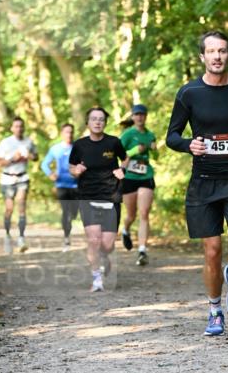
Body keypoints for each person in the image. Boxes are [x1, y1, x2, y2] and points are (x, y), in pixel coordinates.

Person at [166, 29, 228, 336]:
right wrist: (188, 145)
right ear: (203, 57)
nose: (217, 56)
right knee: (211, 251)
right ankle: (214, 310)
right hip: (203, 183)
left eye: (222, 51)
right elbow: (171, 135)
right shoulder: (189, 93)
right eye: (211, 52)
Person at [69, 107, 128, 292]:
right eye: (94, 119)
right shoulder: (79, 145)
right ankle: (96, 279)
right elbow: (71, 166)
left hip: (111, 197)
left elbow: (125, 159)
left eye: (101, 119)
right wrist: (75, 171)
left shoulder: (114, 142)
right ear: (87, 122)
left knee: (107, 244)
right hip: (88, 197)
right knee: (94, 240)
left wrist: (122, 170)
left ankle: (105, 257)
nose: (97, 122)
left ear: (105, 123)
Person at [120, 104, 157, 266]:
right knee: (131, 215)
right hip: (129, 177)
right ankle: (126, 230)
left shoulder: (150, 135)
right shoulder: (128, 134)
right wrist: (135, 150)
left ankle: (142, 250)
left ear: (146, 116)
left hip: (146, 175)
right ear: (133, 117)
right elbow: (118, 154)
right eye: (137, 115)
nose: (140, 117)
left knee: (144, 213)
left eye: (143, 114)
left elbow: (156, 156)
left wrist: (155, 149)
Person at [0, 116, 38, 253]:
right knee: (9, 209)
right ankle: (7, 236)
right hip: (7, 179)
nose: (19, 128)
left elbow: (36, 157)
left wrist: (29, 156)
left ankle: (21, 238)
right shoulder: (5, 143)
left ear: (24, 127)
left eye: (21, 126)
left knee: (21, 205)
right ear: (12, 128)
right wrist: (14, 158)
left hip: (22, 178)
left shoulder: (28, 141)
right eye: (16, 126)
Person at [41, 123, 79, 250]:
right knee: (65, 211)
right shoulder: (55, 149)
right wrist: (51, 174)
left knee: (73, 213)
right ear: (62, 134)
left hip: (76, 185)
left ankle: (70, 220)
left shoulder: (78, 148)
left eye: (71, 132)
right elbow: (44, 164)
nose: (69, 134)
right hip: (61, 185)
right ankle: (66, 238)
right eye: (67, 132)